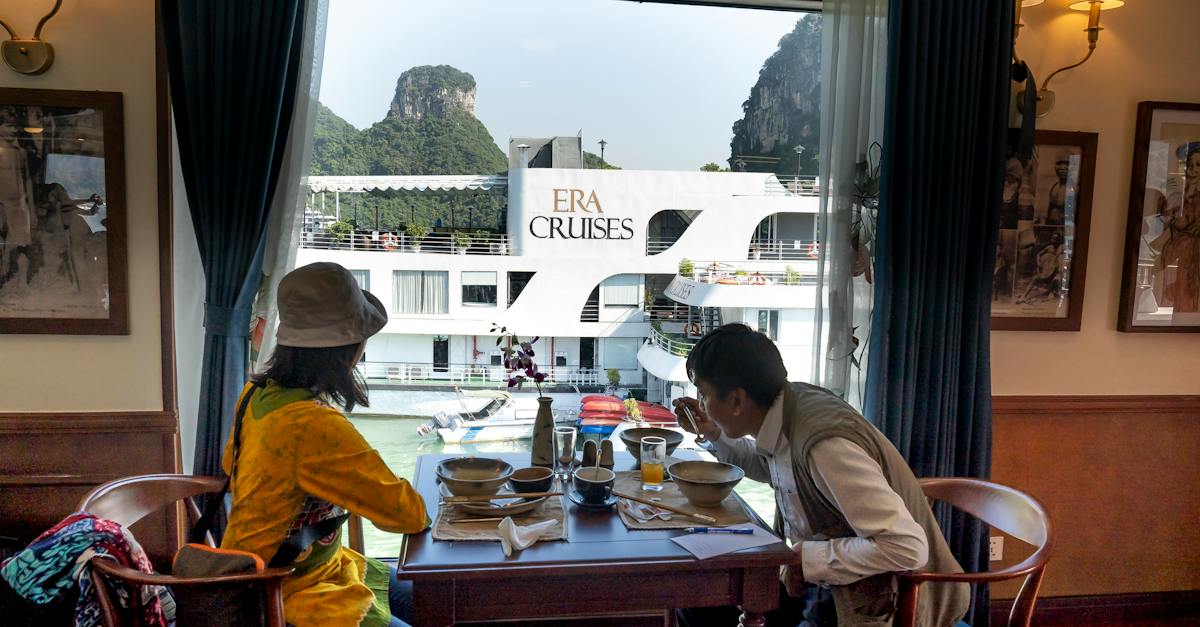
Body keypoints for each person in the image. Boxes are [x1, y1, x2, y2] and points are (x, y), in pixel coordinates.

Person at [674, 324, 969, 627]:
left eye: (704, 393)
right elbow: (774, 469)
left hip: (879, 601)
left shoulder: (825, 443)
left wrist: (805, 558)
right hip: (822, 583)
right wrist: (713, 432)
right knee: (695, 605)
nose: (702, 403)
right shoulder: (786, 405)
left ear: (737, 400)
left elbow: (906, 547)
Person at [221, 262, 428, 627]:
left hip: (256, 573)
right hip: (281, 594)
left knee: (427, 596)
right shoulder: (313, 425)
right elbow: (407, 515)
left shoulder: (254, 394)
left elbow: (230, 466)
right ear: (347, 347)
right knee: (440, 601)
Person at [1152, 142, 1200, 313]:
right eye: (1190, 165)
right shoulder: (1177, 196)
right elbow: (1164, 223)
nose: (1193, 170)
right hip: (1179, 255)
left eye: (1198, 165)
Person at [1043, 151, 1074, 226]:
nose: (1062, 167)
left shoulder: (1075, 189)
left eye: (1067, 163)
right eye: (1059, 163)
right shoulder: (1053, 187)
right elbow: (1049, 212)